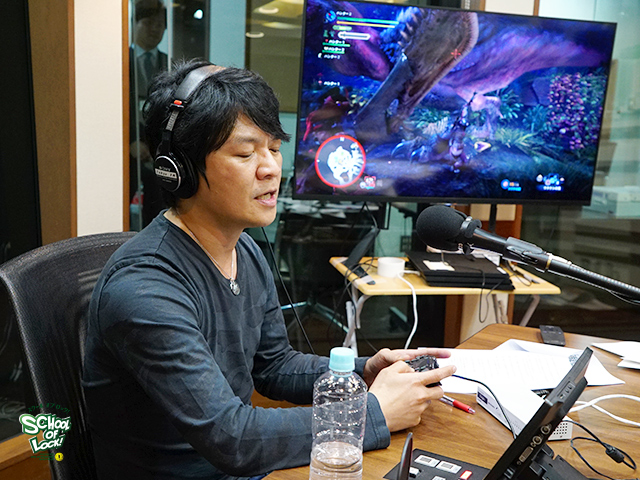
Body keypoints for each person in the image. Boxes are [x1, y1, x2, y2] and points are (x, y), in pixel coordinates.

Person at [82, 59, 456, 480]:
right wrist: (372, 413)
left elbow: (274, 365)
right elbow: (232, 438)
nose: (272, 168)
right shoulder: (145, 286)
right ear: (180, 169)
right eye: (246, 153)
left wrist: (362, 372)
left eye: (274, 148)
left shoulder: (243, 248)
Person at [129, 0, 169, 229]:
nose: (155, 28)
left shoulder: (169, 63)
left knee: (158, 210)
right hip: (125, 155)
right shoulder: (119, 61)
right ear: (134, 24)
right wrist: (130, 142)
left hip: (159, 154)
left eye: (160, 24)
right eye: (148, 22)